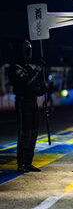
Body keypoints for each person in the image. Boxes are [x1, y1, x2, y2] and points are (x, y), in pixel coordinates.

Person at [8, 39, 47, 172]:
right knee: (26, 133)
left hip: (32, 102)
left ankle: (28, 162)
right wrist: (37, 71)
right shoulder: (14, 68)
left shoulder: (28, 68)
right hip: (23, 102)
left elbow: (35, 88)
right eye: (26, 50)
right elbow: (26, 83)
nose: (28, 53)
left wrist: (43, 88)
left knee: (34, 132)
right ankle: (21, 163)